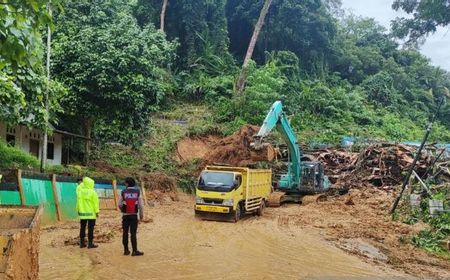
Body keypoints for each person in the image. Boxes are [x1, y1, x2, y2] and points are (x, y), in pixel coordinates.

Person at [118, 177, 144, 256]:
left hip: (125, 216)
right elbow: (141, 205)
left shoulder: (123, 192)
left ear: (127, 183)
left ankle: (126, 251)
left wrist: (123, 210)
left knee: (125, 232)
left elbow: (119, 204)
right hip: (134, 216)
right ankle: (134, 251)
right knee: (133, 233)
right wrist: (141, 215)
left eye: (125, 182)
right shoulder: (137, 192)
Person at [76, 176, 99, 249]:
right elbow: (96, 203)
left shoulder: (80, 192)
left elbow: (78, 202)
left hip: (83, 214)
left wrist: (78, 210)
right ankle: (90, 243)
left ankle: (82, 243)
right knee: (91, 228)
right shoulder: (93, 192)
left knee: (82, 227)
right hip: (91, 214)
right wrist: (97, 212)